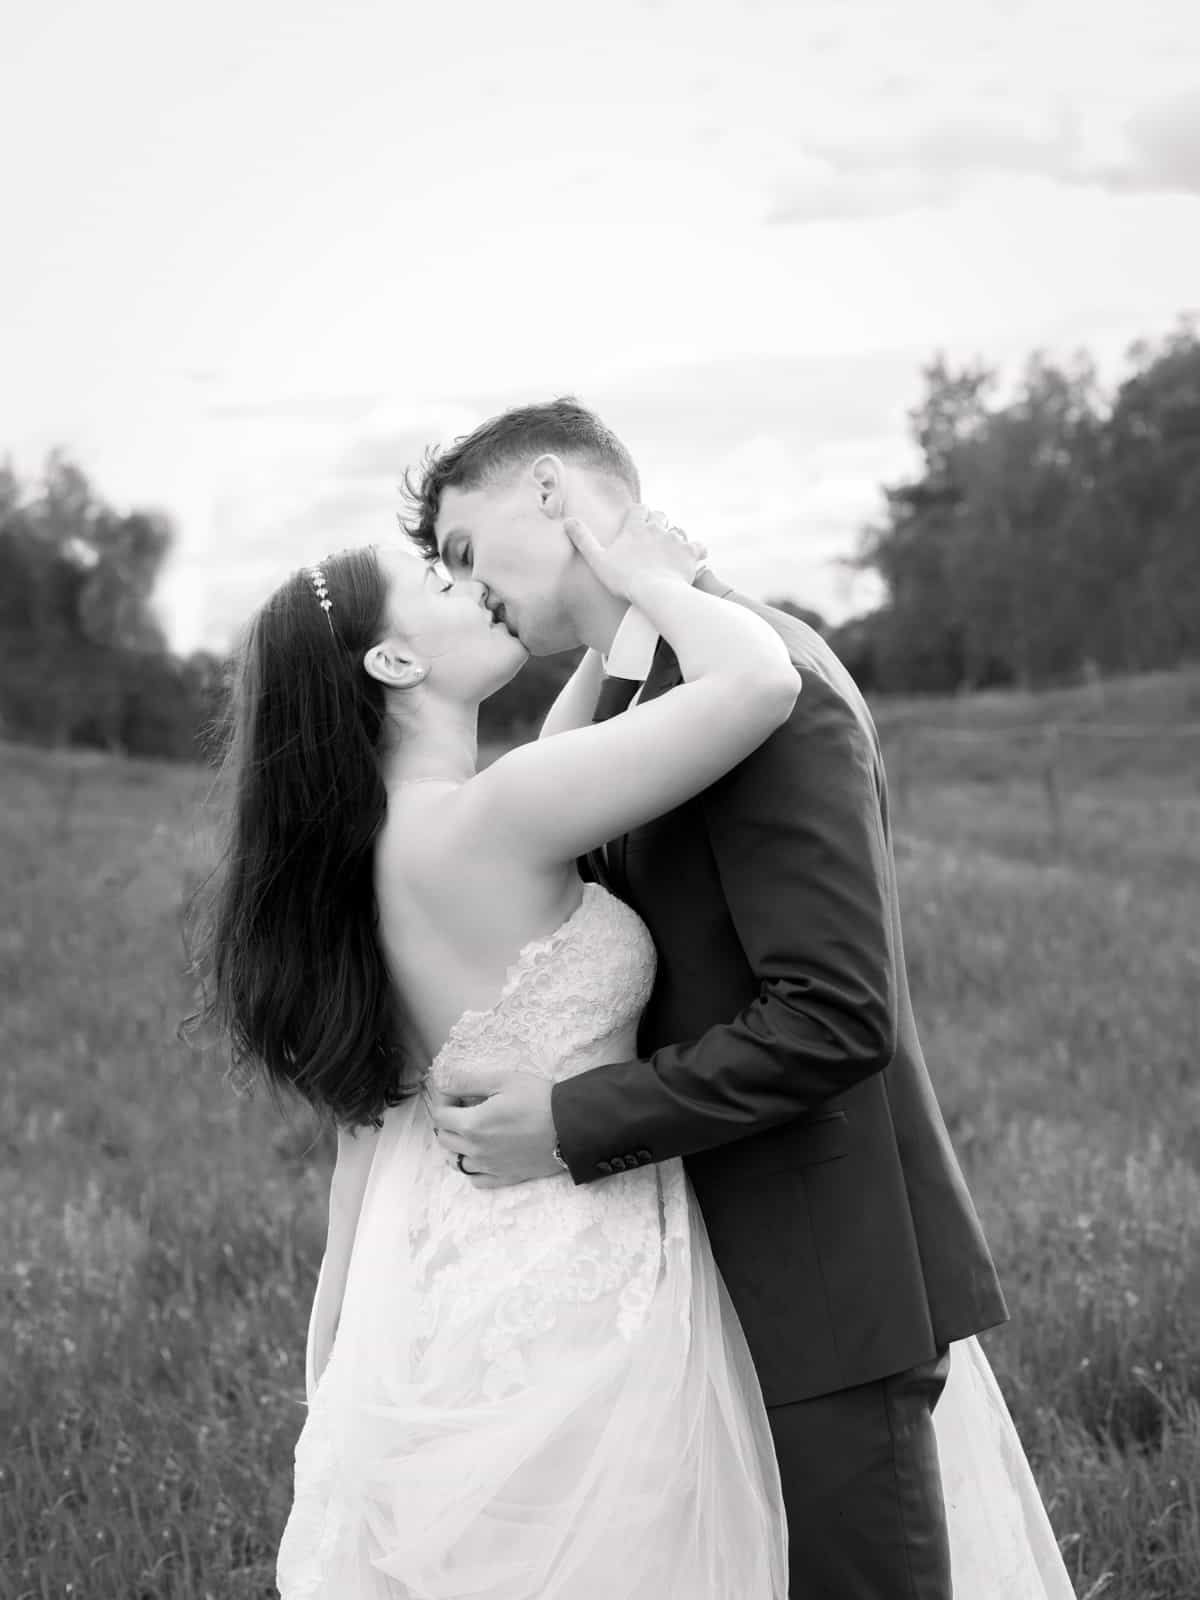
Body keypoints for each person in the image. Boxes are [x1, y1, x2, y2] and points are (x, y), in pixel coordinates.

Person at [399, 398, 1077, 1600]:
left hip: (818, 1279)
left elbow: (834, 1013)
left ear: (551, 491)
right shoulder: (642, 695)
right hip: (695, 1278)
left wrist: (567, 1118)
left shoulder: (769, 678)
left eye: (461, 548)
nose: (465, 585)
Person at [197, 516, 800, 1598]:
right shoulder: (494, 820)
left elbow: (357, 1181)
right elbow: (758, 681)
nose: (470, 580)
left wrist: (336, 1405)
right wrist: (656, 577)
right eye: (436, 574)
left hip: (453, 1295)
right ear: (394, 659)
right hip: (579, 1289)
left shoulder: (386, 848)